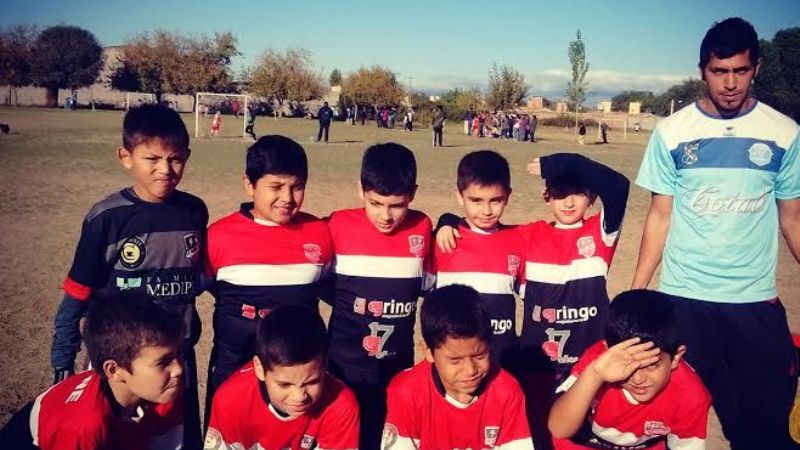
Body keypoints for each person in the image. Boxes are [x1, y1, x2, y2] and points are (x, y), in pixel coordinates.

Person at [632, 17, 800, 450]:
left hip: (753, 304)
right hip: (684, 301)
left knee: (761, 430)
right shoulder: (672, 132)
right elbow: (659, 218)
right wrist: (637, 295)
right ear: (702, 70)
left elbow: (793, 220)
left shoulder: (784, 133)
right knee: (664, 425)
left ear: (756, 68)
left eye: (740, 71)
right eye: (719, 71)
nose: (730, 83)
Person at [437, 153, 629, 450]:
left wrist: (563, 162)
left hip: (587, 364)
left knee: (581, 436)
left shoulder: (600, 235)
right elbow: (487, 234)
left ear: (591, 197)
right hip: (538, 367)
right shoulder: (527, 236)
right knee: (538, 434)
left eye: (578, 193)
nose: (568, 202)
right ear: (546, 196)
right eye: (560, 194)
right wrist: (447, 220)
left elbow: (618, 187)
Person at [49, 103, 207, 449]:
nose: (166, 169)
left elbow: (199, 276)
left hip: (176, 357)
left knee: (177, 440)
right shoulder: (107, 217)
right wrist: (62, 359)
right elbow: (77, 293)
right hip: (125, 363)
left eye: (176, 158)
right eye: (152, 159)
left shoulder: (193, 210)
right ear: (126, 157)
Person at [204, 135, 333, 413]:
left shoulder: (320, 233)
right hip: (232, 365)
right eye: (275, 186)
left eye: (297, 187)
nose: (287, 198)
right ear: (249, 185)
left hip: (297, 379)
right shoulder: (218, 236)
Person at [323, 143, 432, 450]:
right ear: (361, 190)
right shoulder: (337, 225)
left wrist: (449, 220)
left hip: (396, 372)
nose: (386, 215)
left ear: (412, 194)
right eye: (376, 203)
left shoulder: (423, 227)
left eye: (397, 205)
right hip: (342, 371)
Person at [1, 299, 186, 450]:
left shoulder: (161, 390)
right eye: (163, 362)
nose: (178, 369)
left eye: (178, 354)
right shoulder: (81, 427)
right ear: (114, 370)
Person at [548, 290, 712, 450]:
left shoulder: (691, 396)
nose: (638, 379)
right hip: (584, 442)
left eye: (652, 365)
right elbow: (559, 429)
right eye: (629, 364)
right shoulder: (598, 364)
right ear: (608, 350)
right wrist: (595, 375)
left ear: (676, 357)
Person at [381, 285, 534, 450]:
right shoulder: (406, 392)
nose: (470, 370)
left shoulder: (507, 391)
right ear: (428, 351)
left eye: (479, 356)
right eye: (455, 360)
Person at [204, 305, 360, 450]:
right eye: (285, 385)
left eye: (312, 382)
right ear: (259, 368)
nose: (299, 396)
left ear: (325, 365)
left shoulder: (341, 405)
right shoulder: (230, 400)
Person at [432, 150, 525, 369]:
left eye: (495, 200)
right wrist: (446, 221)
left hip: (503, 363)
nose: (486, 211)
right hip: (455, 368)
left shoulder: (518, 240)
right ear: (459, 195)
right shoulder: (444, 240)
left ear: (508, 196)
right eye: (476, 200)